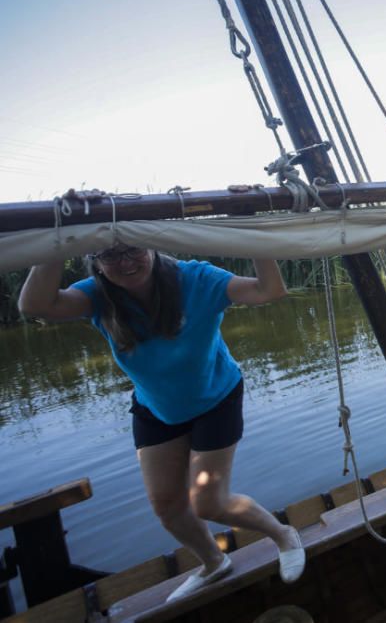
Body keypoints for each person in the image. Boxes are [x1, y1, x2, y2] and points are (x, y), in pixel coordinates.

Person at [17, 244, 306, 602]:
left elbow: (270, 291)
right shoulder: (97, 295)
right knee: (167, 507)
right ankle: (214, 562)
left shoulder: (196, 279)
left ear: (151, 245)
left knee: (209, 504)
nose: (125, 262)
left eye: (133, 250)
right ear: (95, 262)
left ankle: (283, 535)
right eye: (110, 255)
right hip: (156, 407)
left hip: (214, 399)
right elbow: (34, 306)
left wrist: (251, 237)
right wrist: (60, 241)